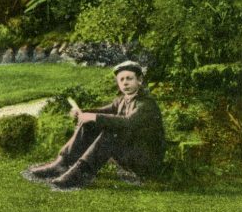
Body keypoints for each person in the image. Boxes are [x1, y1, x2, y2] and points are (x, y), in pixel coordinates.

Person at [23, 60, 165, 191]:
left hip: (145, 159)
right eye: (121, 79)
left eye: (129, 78)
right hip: (129, 152)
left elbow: (128, 122)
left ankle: (81, 173)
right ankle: (62, 163)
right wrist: (83, 113)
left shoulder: (146, 104)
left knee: (111, 132)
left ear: (139, 80)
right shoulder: (121, 100)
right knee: (89, 124)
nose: (125, 83)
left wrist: (94, 117)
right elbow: (104, 111)